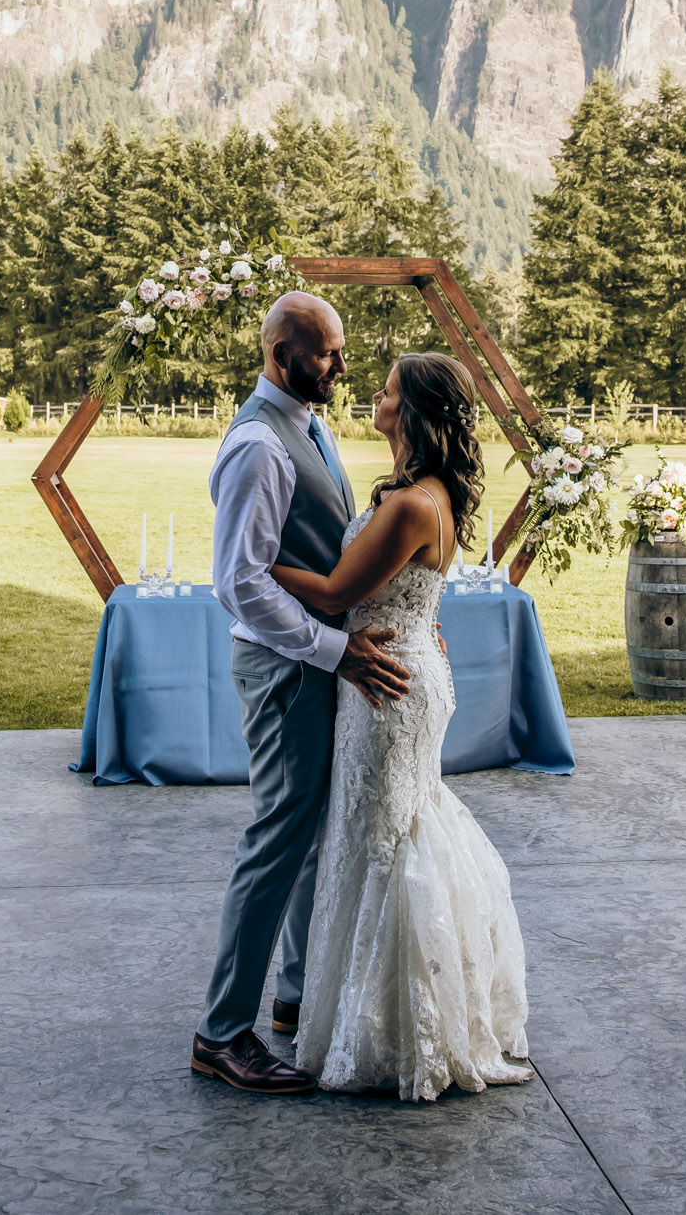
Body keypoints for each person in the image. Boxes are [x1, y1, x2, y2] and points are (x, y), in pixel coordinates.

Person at [271, 351, 533, 1100]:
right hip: (402, 668)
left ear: (410, 412)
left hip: (386, 685)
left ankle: (393, 1027)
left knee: (384, 837)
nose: (373, 393)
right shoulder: (421, 497)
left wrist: (248, 564)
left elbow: (331, 592)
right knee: (379, 829)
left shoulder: (415, 503)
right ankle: (370, 1009)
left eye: (386, 389)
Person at [191, 292, 411, 1096]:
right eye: (325, 352)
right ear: (282, 354)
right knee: (277, 839)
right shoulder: (258, 444)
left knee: (310, 832)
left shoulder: (306, 426)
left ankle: (293, 993)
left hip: (310, 664)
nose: (341, 365)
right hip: (285, 670)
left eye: (342, 349)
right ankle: (220, 1034)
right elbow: (239, 583)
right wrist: (336, 651)